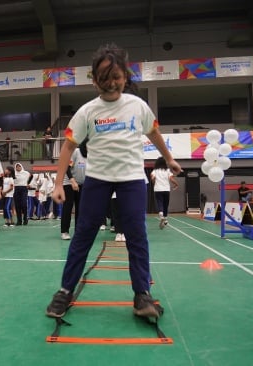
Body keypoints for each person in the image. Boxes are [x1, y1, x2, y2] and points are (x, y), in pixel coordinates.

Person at [46, 44, 182, 320]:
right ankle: (64, 290)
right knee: (84, 235)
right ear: (94, 80)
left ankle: (142, 294)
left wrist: (169, 159)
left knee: (137, 236)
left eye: (116, 76)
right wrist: (59, 183)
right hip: (98, 181)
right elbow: (68, 147)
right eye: (104, 77)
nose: (111, 83)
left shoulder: (137, 106)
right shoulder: (87, 112)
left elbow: (154, 132)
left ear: (125, 76)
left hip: (131, 180)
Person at [60, 141, 88, 240]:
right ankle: (64, 231)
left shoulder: (91, 155)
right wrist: (72, 181)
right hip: (69, 182)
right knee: (68, 207)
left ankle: (78, 231)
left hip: (81, 184)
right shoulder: (76, 152)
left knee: (80, 208)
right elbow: (67, 167)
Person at [150, 156, 179, 229]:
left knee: (159, 202)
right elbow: (171, 178)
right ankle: (165, 219)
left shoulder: (155, 171)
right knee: (166, 204)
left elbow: (152, 178)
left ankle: (161, 213)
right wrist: (176, 184)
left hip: (158, 189)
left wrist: (154, 181)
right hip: (166, 189)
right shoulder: (167, 170)